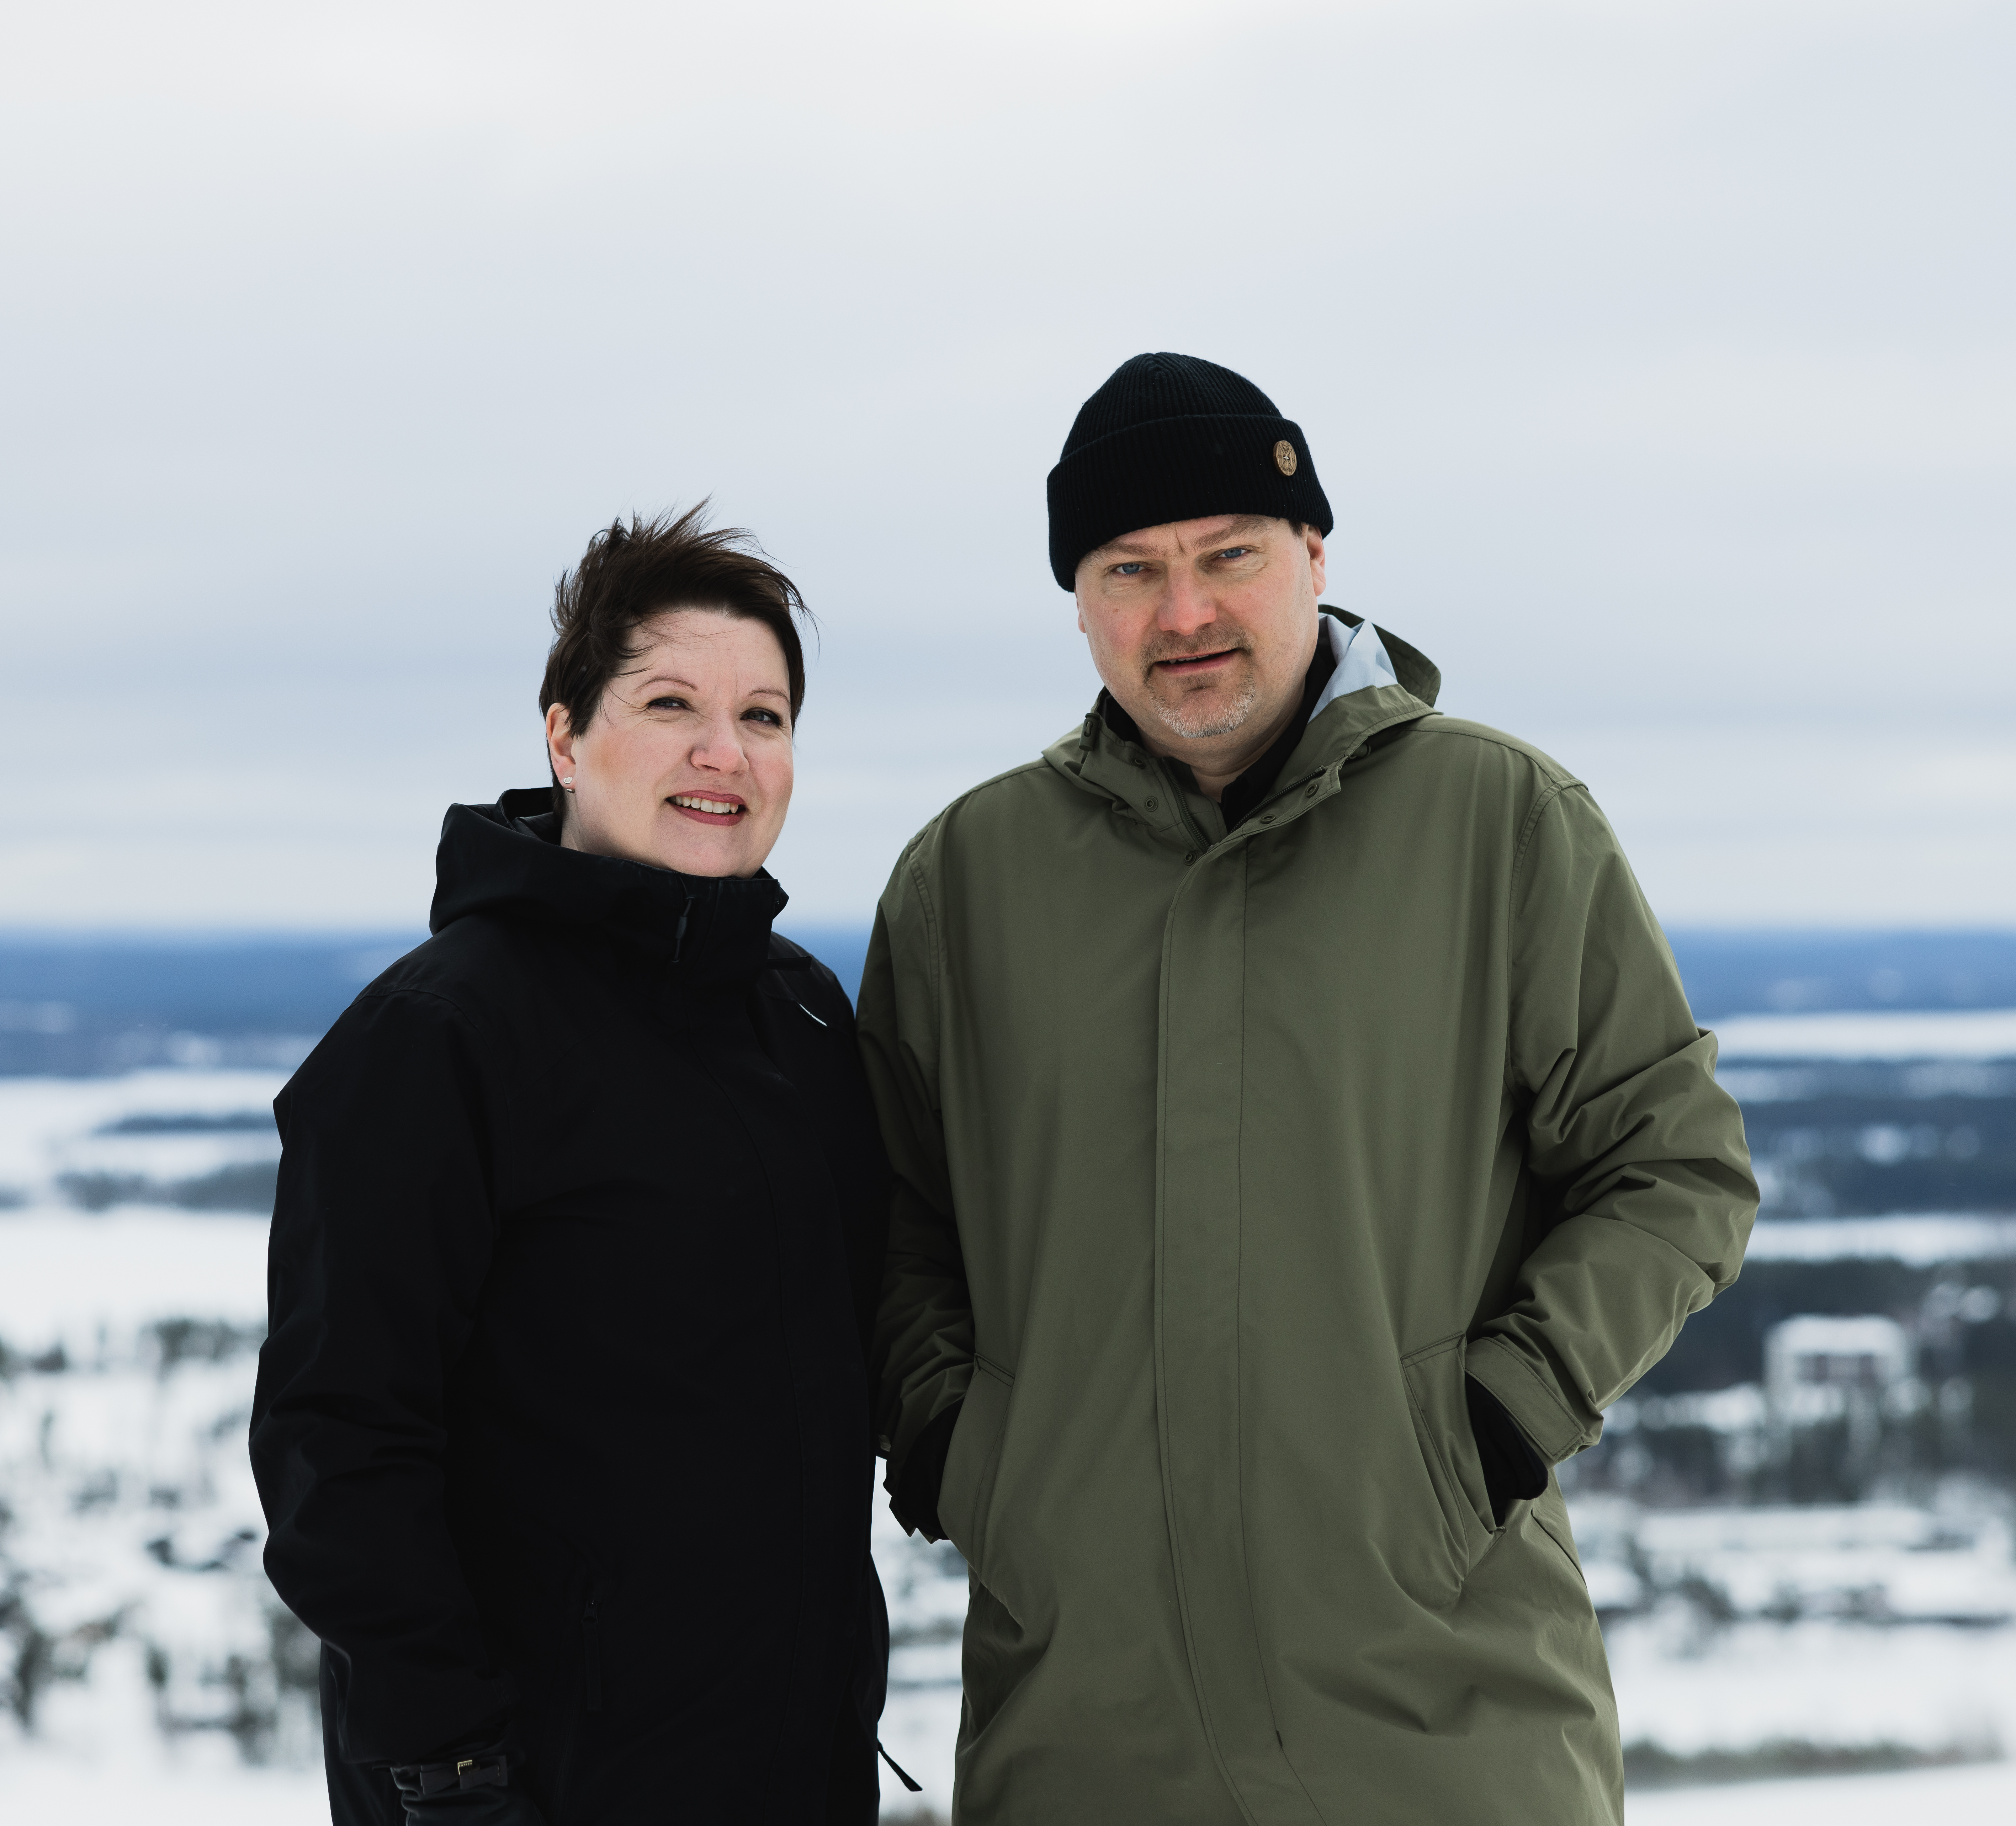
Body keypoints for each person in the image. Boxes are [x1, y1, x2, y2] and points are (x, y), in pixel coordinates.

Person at [861, 353, 1758, 1823]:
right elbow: (890, 1213)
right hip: (1084, 1738)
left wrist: (1494, 1420)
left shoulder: (1498, 823)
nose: (1183, 614)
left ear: (1314, 558)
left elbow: (1673, 1167)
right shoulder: (968, 878)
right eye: (1130, 569)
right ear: (1076, 601)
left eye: (1228, 555)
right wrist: (966, 1450)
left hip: (1444, 1725)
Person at [252, 508, 893, 1825]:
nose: (724, 752)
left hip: (790, 1770)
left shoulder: (802, 1016)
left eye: (763, 717)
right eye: (670, 705)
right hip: (529, 1786)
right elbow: (340, 1444)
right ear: (564, 735)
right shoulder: (439, 1039)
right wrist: (447, 1771)